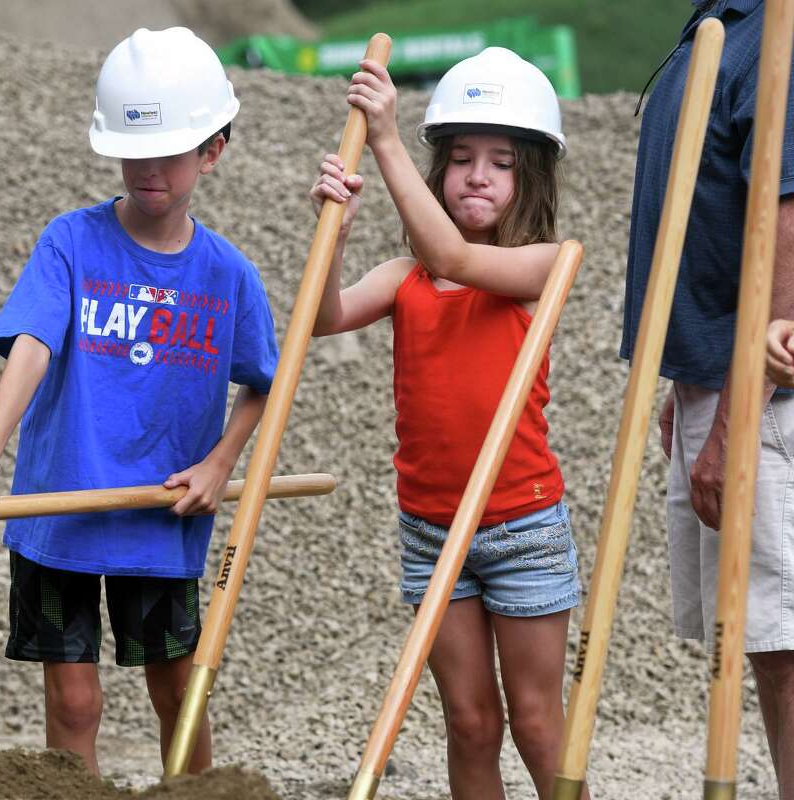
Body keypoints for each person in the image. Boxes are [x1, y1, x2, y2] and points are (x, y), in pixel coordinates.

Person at [0, 27, 277, 776]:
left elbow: (263, 382)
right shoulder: (71, 244)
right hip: (59, 510)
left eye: (170, 153)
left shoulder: (229, 276)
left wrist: (222, 463)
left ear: (212, 151)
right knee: (75, 701)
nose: (148, 169)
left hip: (161, 516)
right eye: (133, 150)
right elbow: (31, 347)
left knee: (178, 690)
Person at [310, 48, 588, 799]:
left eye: (500, 162)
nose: (476, 174)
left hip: (521, 528)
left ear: (530, 178)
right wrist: (337, 227)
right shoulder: (405, 278)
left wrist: (387, 137)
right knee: (469, 723)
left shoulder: (545, 265)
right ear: (440, 174)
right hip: (431, 529)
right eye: (461, 158)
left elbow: (455, 255)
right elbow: (324, 316)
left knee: (536, 722)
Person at [622, 1, 794, 793]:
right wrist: (692, 379)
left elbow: (786, 230)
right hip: (719, 380)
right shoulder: (721, 23)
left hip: (762, 396)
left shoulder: (779, 33)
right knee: (761, 636)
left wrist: (736, 411)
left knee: (784, 640)